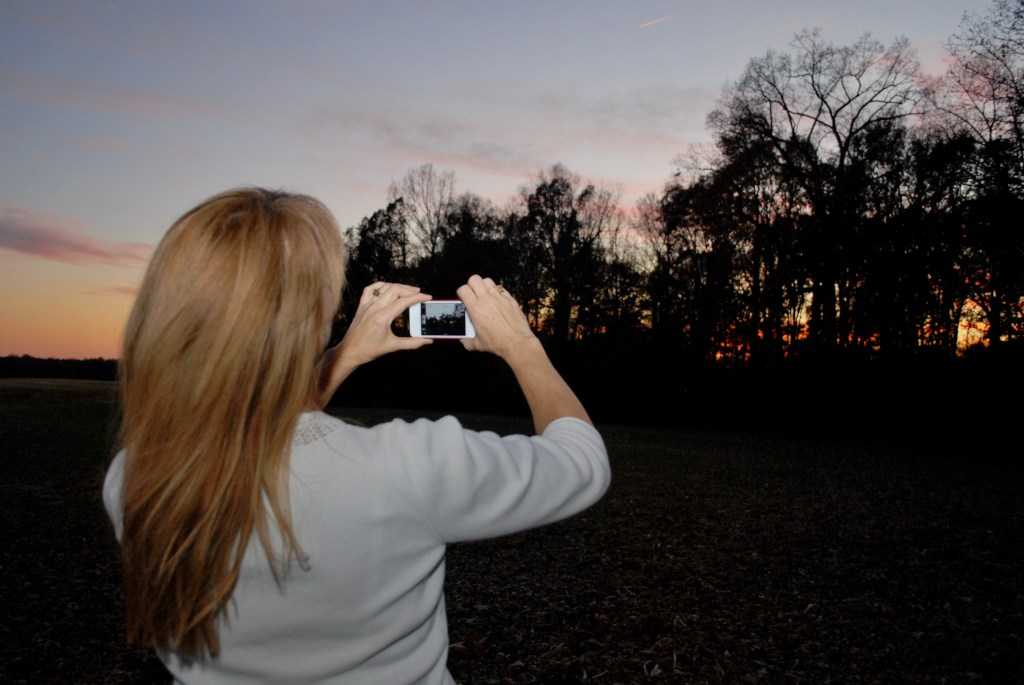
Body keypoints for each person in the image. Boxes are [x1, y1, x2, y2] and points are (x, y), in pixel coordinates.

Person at [102, 187, 611, 684]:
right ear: (310, 321)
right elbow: (582, 461)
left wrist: (344, 356)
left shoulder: (136, 477)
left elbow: (253, 427)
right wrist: (521, 345)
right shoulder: (404, 467)